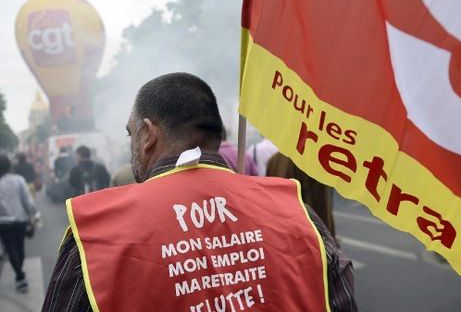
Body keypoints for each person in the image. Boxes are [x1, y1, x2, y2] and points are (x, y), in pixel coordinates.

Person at [42, 73, 356, 311]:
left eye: (130, 133)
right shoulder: (296, 211)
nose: (130, 145)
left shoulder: (95, 233)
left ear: (148, 134)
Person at [267, 152, 336, 238]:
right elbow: (320, 206)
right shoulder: (311, 161)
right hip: (306, 235)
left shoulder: (273, 160)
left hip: (280, 230)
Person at [0, 154, 39, 294]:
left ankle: (19, 275)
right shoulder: (18, 180)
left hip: (3, 223)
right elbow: (27, 201)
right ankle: (20, 274)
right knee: (20, 247)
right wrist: (35, 214)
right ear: (9, 165)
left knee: (11, 249)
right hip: (20, 220)